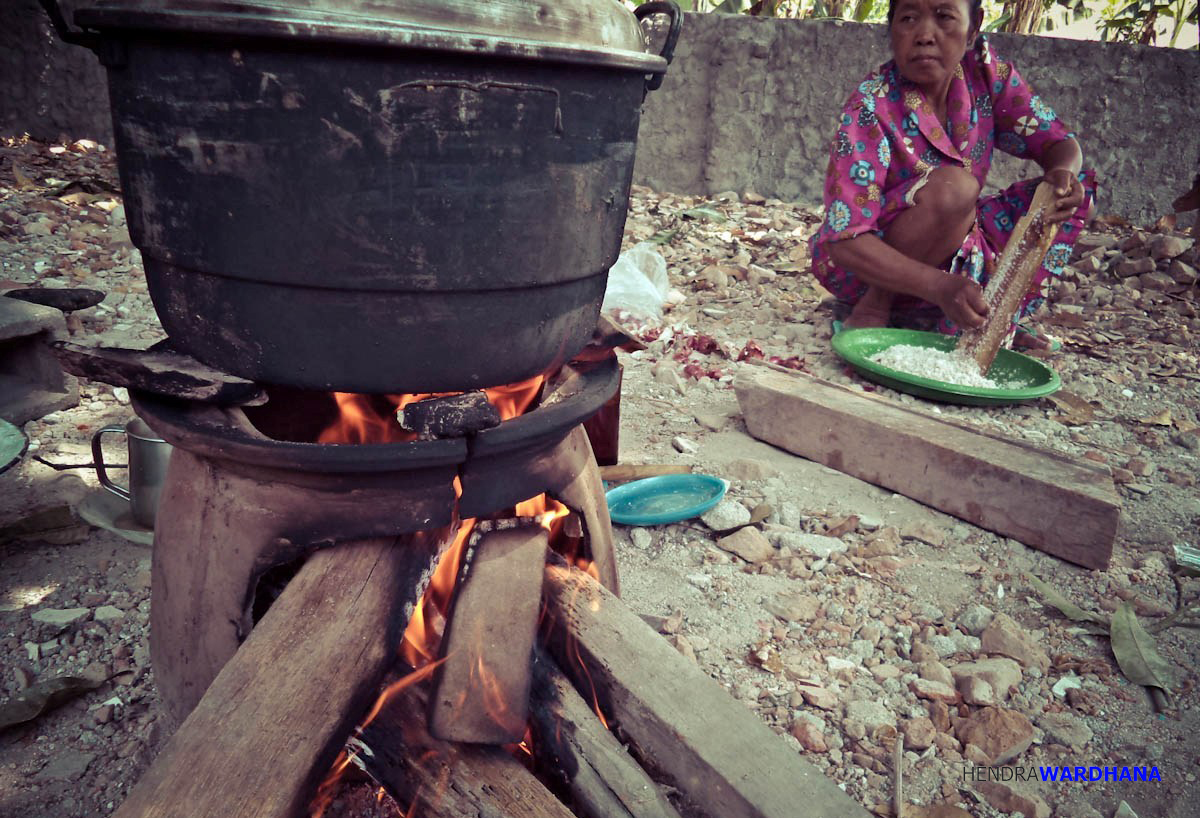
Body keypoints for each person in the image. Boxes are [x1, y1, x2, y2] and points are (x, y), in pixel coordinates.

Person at [809, 0, 1096, 348]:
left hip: (956, 254)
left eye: (944, 17)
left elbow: (1060, 144)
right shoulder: (871, 105)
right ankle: (874, 306)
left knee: (1071, 200)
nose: (924, 35)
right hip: (870, 265)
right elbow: (846, 241)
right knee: (956, 188)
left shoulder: (988, 79)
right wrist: (939, 286)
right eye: (909, 19)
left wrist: (1063, 174)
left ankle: (992, 318)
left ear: (973, 27)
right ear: (892, 29)